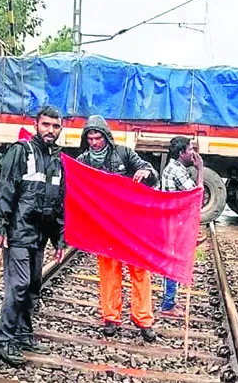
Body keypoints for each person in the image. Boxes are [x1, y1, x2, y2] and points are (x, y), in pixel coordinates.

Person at [0, 105, 66, 365]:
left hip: (40, 236)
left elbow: (57, 204)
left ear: (60, 128)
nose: (50, 131)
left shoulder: (57, 161)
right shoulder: (21, 152)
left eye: (55, 126)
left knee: (32, 287)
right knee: (18, 285)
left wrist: (59, 239)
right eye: (46, 125)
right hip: (18, 233)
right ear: (36, 125)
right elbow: (5, 190)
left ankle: (23, 334)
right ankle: (3, 338)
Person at [76, 114, 159, 342]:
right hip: (104, 228)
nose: (94, 142)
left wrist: (147, 173)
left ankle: (144, 320)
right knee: (108, 273)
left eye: (98, 137)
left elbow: (151, 174)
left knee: (140, 271)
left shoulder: (124, 153)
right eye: (90, 138)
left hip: (132, 225)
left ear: (106, 137)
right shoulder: (82, 161)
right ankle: (111, 318)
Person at [160, 136, 203, 317]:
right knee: (173, 260)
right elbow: (196, 195)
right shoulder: (177, 171)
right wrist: (200, 170)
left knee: (172, 260)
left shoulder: (173, 168)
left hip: (172, 221)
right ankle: (167, 304)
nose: (193, 153)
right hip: (174, 224)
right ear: (181, 153)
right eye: (190, 149)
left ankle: (169, 301)